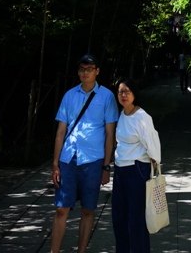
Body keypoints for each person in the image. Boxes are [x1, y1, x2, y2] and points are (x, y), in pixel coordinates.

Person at [51, 53, 119, 253]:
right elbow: (60, 131)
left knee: (88, 210)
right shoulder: (69, 95)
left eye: (89, 69)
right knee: (61, 208)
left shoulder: (107, 96)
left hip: (93, 160)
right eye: (82, 69)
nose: (85, 73)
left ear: (97, 71)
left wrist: (106, 166)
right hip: (68, 158)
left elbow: (110, 133)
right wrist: (55, 163)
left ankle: (81, 251)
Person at [112, 77, 161, 253]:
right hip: (120, 170)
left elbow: (153, 144)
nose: (123, 95)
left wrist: (154, 164)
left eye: (127, 91)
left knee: (136, 219)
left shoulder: (142, 117)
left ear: (134, 94)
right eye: (120, 92)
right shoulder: (122, 114)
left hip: (137, 170)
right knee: (119, 218)